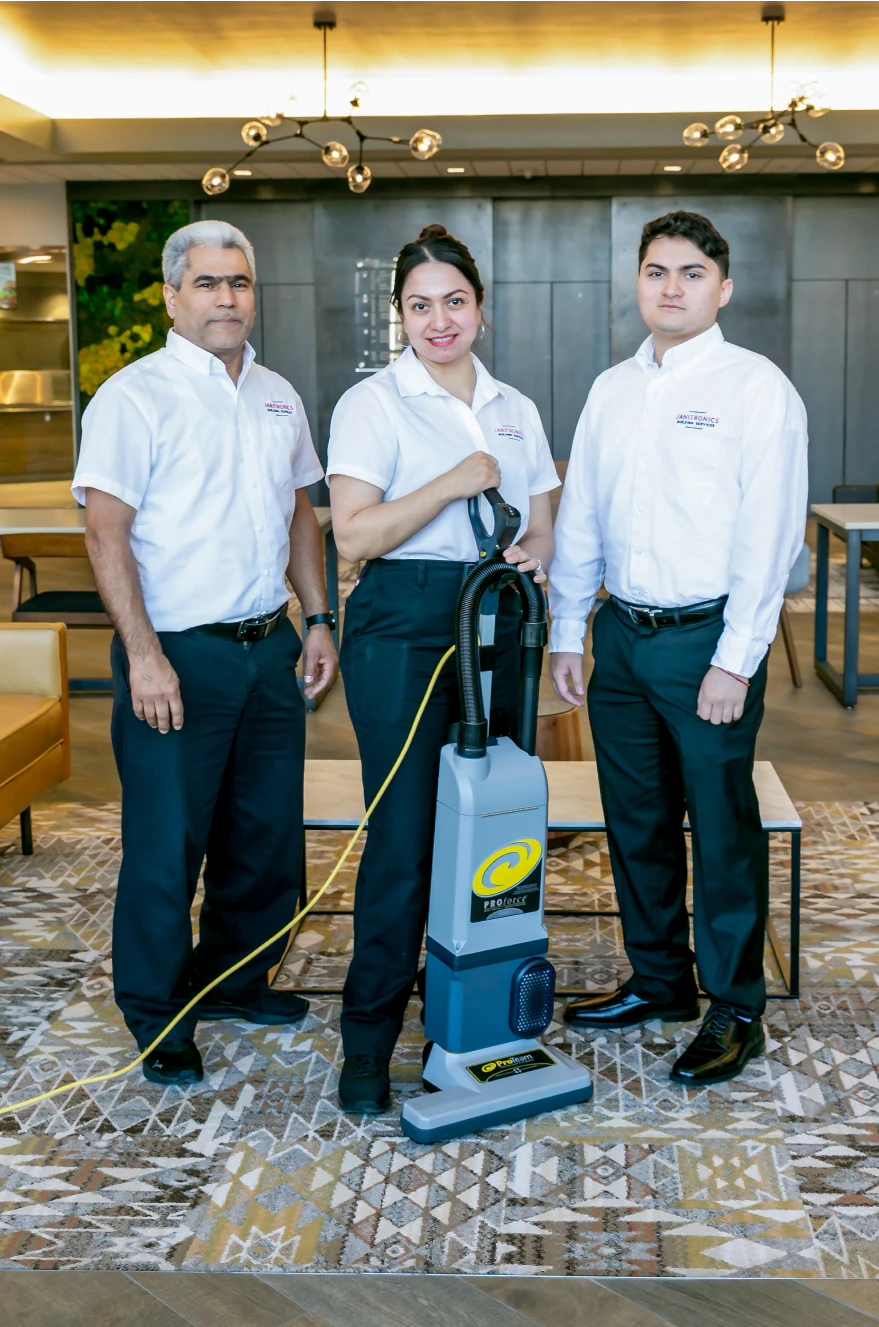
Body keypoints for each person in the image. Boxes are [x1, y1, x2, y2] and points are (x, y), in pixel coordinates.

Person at [72, 219, 338, 1087]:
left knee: (262, 836)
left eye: (239, 283)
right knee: (166, 841)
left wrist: (318, 616)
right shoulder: (132, 397)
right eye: (208, 284)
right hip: (175, 653)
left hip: (268, 647)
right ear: (172, 296)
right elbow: (105, 530)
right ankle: (157, 1012)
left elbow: (302, 509)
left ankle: (234, 978)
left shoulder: (278, 394)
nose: (226, 298)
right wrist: (141, 653)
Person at [549, 210, 808, 1087]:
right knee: (637, 822)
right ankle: (659, 980)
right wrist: (566, 630)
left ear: (722, 288)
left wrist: (737, 658)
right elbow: (581, 513)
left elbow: (768, 536)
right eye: (656, 271)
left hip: (706, 642)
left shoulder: (755, 387)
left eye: (690, 273)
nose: (670, 287)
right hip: (620, 638)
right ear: (637, 282)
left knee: (722, 831)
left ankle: (735, 1007)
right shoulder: (609, 389)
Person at [327, 222, 559, 1114]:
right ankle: (368, 1041)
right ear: (399, 315)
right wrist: (452, 481)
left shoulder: (516, 407)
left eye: (453, 301)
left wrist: (533, 557)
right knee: (406, 838)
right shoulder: (372, 404)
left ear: (480, 310)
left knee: (492, 829)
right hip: (400, 627)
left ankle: (476, 1027)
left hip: (497, 619)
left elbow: (540, 523)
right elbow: (354, 534)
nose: (438, 319)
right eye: (419, 305)